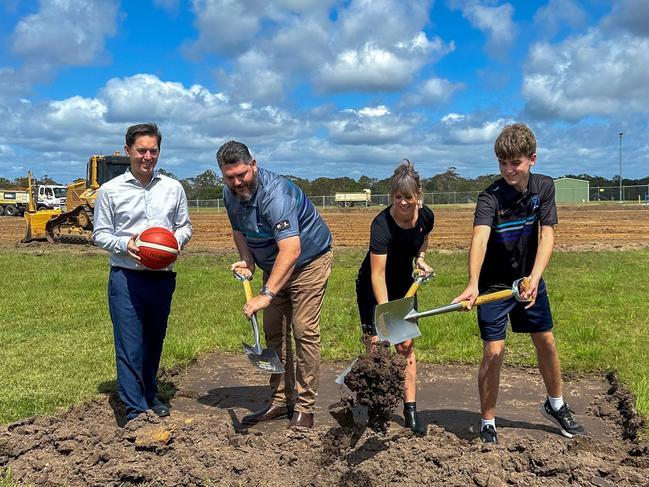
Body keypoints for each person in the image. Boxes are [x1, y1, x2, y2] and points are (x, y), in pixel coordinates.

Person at [452, 123, 584, 444]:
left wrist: (534, 278)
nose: (509, 169)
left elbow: (547, 234)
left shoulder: (544, 188)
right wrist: (472, 283)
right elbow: (480, 239)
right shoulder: (490, 198)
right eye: (502, 163)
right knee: (494, 353)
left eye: (516, 162)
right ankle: (488, 422)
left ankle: (556, 405)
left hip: (528, 280)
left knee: (546, 341)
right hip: (495, 286)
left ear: (532, 159)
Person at [217, 140, 332, 430]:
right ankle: (280, 401)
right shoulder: (230, 193)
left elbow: (291, 250)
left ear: (253, 164)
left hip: (309, 260)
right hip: (274, 264)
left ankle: (305, 409)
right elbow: (238, 229)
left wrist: (267, 293)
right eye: (229, 177)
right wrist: (248, 261)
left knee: (304, 330)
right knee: (274, 333)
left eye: (241, 174)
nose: (237, 182)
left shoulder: (276, 194)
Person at [93, 123, 192, 421]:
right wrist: (126, 244)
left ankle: (150, 393)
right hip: (127, 276)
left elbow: (184, 226)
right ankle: (135, 410)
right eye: (141, 151)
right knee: (129, 342)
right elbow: (100, 234)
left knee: (154, 339)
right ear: (128, 151)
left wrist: (174, 243)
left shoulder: (173, 188)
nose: (147, 157)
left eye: (153, 151)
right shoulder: (110, 191)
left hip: (162, 277)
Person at [355, 160, 434, 434]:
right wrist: (386, 314)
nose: (402, 203)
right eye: (397, 197)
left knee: (405, 345)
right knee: (376, 346)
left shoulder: (426, 217)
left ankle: (410, 410)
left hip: (404, 286)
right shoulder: (381, 225)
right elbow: (377, 275)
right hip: (372, 287)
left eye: (408, 197)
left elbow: (423, 238)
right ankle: (373, 411)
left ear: (418, 197)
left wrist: (421, 259)